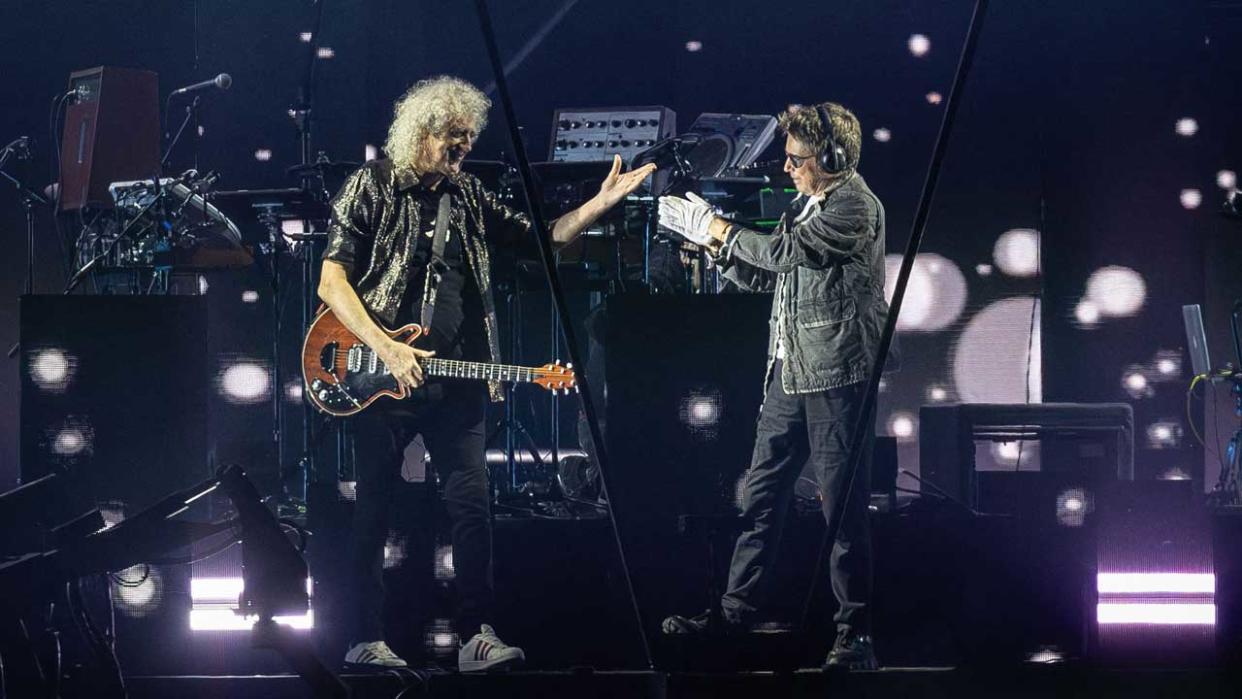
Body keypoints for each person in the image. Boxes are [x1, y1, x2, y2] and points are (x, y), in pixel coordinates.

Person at [318, 75, 655, 672]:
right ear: (422, 132)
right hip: (376, 373)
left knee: (472, 505)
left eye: (468, 140)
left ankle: (479, 634)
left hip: (455, 376)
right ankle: (363, 637)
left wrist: (599, 205)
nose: (462, 149)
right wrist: (385, 347)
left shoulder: (469, 195)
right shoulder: (370, 186)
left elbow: (543, 239)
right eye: (454, 138)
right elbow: (332, 280)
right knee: (375, 505)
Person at [657, 102, 886, 670]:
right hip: (789, 370)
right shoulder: (806, 203)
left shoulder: (854, 204)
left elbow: (790, 254)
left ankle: (855, 635)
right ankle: (735, 614)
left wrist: (722, 228)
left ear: (831, 158)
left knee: (840, 510)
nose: (786, 167)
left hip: (836, 373)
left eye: (796, 159)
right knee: (759, 497)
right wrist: (712, 246)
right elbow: (768, 275)